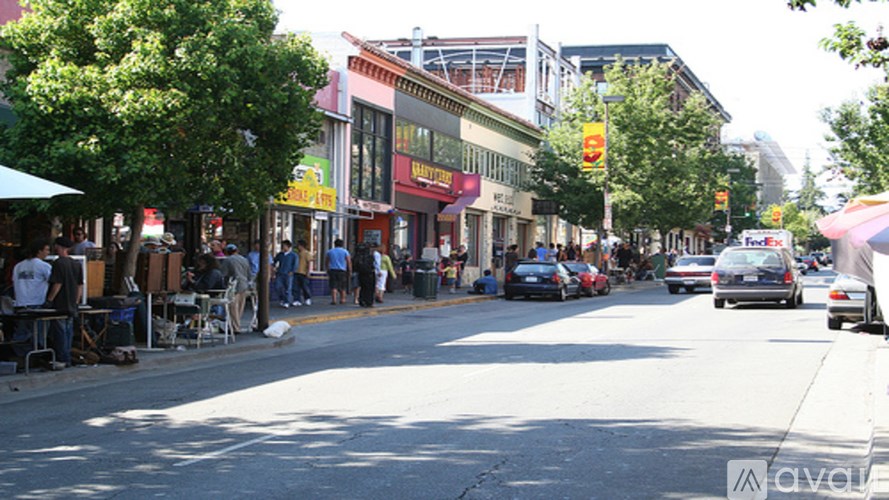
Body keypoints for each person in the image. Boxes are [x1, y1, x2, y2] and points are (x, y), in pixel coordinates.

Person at [46, 237, 83, 370]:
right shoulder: (76, 264)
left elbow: (57, 284)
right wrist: (77, 301)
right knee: (68, 331)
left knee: (60, 332)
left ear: (59, 247)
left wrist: (49, 300)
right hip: (72, 303)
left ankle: (62, 358)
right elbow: (80, 285)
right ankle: (67, 357)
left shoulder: (58, 263)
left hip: (60, 303)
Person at [11, 239, 52, 357]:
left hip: (20, 303)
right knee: (39, 335)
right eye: (46, 250)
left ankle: (21, 357)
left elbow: (14, 282)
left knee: (21, 334)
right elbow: (54, 281)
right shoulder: (44, 266)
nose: (48, 252)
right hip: (37, 304)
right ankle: (36, 357)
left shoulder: (18, 266)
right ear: (39, 251)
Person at [220, 244, 251, 334]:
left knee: (232, 307)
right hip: (244, 284)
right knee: (240, 306)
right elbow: (249, 273)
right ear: (236, 250)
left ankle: (235, 327)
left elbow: (223, 274)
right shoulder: (244, 259)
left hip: (233, 286)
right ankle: (236, 325)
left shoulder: (227, 260)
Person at [325, 238, 351, 305]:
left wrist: (327, 269)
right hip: (342, 270)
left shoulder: (330, 251)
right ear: (342, 244)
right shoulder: (345, 252)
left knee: (333, 285)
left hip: (333, 270)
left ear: (334, 244)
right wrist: (350, 270)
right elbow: (348, 261)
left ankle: (334, 300)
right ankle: (342, 299)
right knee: (342, 286)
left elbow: (327, 261)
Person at [273, 240, 298, 308]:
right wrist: (274, 268)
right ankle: (282, 299)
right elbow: (274, 261)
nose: (283, 247)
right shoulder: (280, 254)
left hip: (288, 274)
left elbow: (295, 264)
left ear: (288, 246)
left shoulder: (293, 255)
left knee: (288, 288)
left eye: (284, 246)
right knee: (278, 287)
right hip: (280, 273)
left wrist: (292, 271)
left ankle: (287, 301)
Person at [353, 243, 376, 307]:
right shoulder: (370, 256)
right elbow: (373, 264)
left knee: (362, 287)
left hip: (361, 273)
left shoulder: (357, 256)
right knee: (369, 288)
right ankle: (369, 301)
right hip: (369, 273)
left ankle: (362, 300)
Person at [292, 239, 313, 306]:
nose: (297, 247)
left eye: (298, 245)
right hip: (296, 272)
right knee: (296, 287)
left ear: (302, 246)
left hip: (303, 272)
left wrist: (308, 272)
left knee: (305, 286)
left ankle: (307, 298)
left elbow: (309, 263)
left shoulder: (307, 253)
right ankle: (297, 300)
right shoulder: (296, 254)